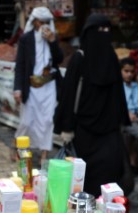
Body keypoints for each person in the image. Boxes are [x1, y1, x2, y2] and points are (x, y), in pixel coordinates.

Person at [55, 14, 133, 196]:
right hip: (84, 131)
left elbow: (118, 93)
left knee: (109, 171)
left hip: (108, 130)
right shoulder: (79, 59)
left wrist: (122, 119)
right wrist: (66, 127)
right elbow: (68, 95)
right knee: (86, 177)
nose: (104, 34)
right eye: (100, 30)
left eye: (108, 30)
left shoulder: (112, 58)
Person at [14, 6, 64, 165]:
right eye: (40, 22)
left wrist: (52, 42)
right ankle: (18, 147)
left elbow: (59, 59)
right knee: (26, 122)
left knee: (47, 121)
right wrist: (18, 88)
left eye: (46, 22)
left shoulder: (53, 38)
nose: (43, 25)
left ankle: (44, 155)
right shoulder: (26, 39)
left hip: (48, 86)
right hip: (31, 86)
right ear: (34, 22)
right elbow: (20, 65)